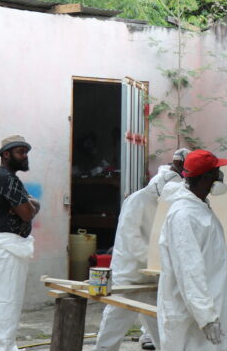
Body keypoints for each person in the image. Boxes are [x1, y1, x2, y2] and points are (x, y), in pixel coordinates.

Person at [95, 148, 190, 351]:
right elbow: (131, 239)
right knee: (115, 323)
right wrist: (157, 261)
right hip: (129, 274)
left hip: (153, 275)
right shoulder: (138, 200)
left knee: (160, 324)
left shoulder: (171, 202)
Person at [157, 149, 227, 351]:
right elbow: (189, 270)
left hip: (210, 306)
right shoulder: (184, 215)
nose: (220, 176)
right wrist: (206, 317)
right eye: (216, 171)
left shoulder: (198, 208)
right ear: (206, 178)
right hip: (193, 317)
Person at [0, 135, 41, 351]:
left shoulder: (11, 178)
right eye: (20, 152)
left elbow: (32, 205)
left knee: (11, 302)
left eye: (26, 152)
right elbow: (27, 213)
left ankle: (7, 346)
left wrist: (28, 206)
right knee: (5, 302)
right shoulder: (6, 178)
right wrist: (27, 207)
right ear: (6, 154)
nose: (25, 157)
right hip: (5, 248)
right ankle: (4, 348)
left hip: (11, 248)